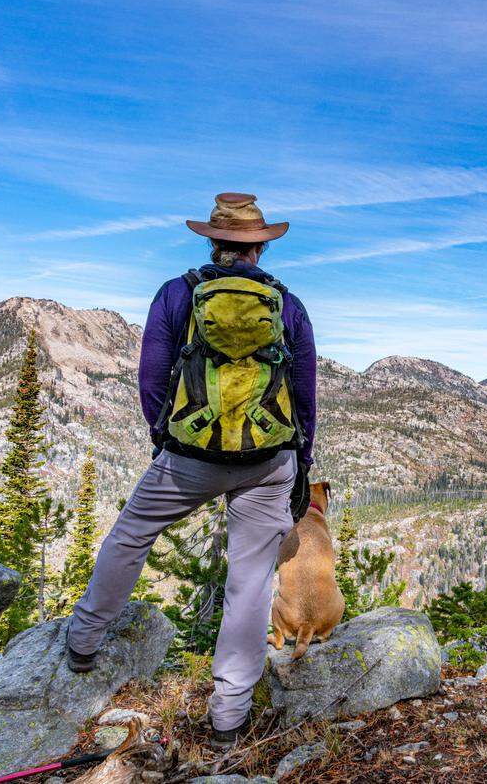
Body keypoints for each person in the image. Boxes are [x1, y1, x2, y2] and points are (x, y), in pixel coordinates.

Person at [66, 192, 317, 747]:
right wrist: (299, 460)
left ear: (211, 239)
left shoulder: (178, 294)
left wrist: (167, 439)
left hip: (187, 458)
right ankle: (229, 714)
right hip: (267, 462)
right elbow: (304, 390)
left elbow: (153, 375)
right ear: (260, 247)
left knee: (132, 534)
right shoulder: (287, 304)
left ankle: (84, 641)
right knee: (249, 583)